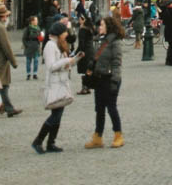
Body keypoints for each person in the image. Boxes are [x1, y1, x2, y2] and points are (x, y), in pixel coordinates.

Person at [32, 21, 77, 153]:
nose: (66, 35)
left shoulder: (58, 44)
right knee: (56, 115)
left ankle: (51, 142)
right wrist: (67, 61)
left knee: (58, 114)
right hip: (54, 83)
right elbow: (51, 66)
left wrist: (72, 61)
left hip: (60, 82)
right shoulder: (50, 46)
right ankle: (38, 141)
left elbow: (60, 64)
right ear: (58, 33)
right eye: (64, 32)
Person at [85, 14, 125, 148]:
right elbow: (98, 58)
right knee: (99, 109)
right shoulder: (103, 40)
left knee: (111, 108)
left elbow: (116, 63)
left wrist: (115, 80)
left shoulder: (115, 42)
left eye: (101, 25)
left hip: (110, 79)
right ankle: (98, 136)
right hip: (100, 78)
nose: (99, 27)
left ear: (108, 27)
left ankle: (118, 134)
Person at [22, 16, 43, 81]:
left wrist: (41, 38)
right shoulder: (28, 29)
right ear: (32, 21)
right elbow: (24, 38)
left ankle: (35, 74)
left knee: (36, 60)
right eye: (36, 20)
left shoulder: (38, 28)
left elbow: (40, 38)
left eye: (37, 20)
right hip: (29, 47)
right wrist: (26, 45)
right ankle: (28, 74)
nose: (37, 21)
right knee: (28, 61)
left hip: (36, 46)